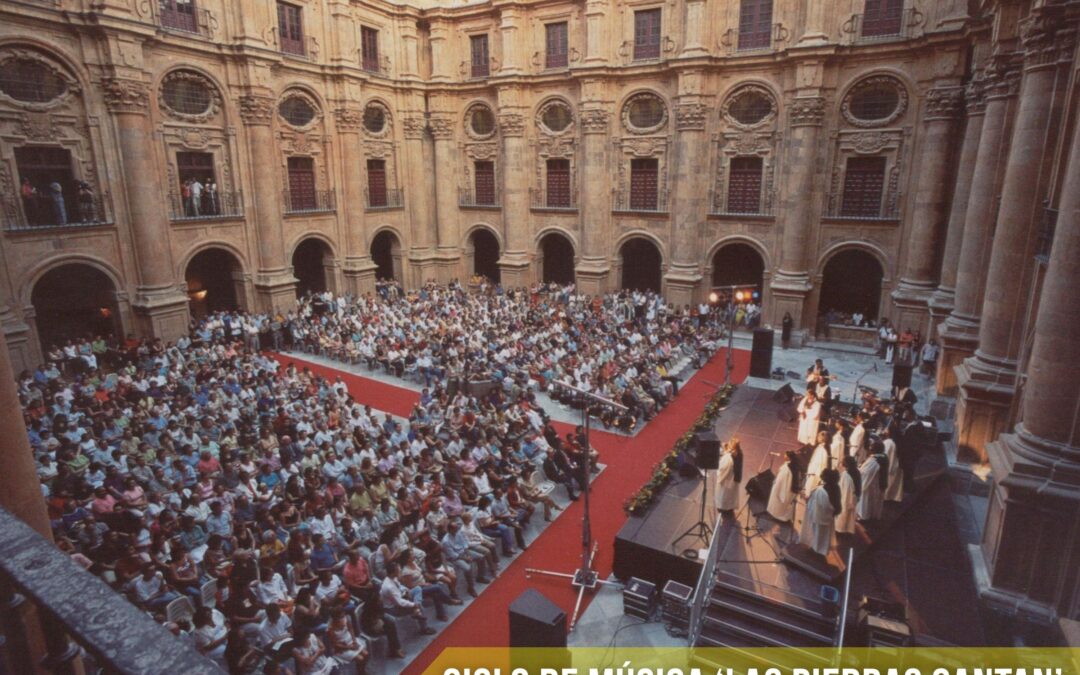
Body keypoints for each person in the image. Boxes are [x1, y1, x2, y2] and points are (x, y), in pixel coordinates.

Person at [799, 468, 840, 557]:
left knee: (817, 534)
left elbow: (813, 503)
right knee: (824, 536)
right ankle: (822, 551)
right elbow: (837, 506)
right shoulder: (836, 488)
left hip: (819, 516)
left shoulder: (820, 490)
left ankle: (817, 552)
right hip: (829, 517)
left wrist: (804, 497)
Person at [327, 606, 368, 671]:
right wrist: (349, 647)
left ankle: (361, 670)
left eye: (343, 616)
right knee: (360, 658)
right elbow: (335, 645)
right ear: (335, 618)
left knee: (366, 654)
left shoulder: (345, 618)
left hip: (350, 640)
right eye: (340, 617)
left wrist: (354, 641)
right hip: (342, 648)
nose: (343, 618)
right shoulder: (330, 629)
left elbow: (351, 629)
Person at [766, 450, 801, 524]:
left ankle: (778, 516)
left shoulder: (786, 468)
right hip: (790, 489)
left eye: (785, 455)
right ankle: (784, 517)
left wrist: (776, 488)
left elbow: (780, 480)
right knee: (786, 505)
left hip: (782, 488)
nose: (784, 456)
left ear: (788, 458)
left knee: (778, 504)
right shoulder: (794, 466)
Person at [714, 439, 741, 517]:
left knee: (724, 495)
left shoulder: (728, 458)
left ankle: (724, 508)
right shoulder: (737, 454)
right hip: (731, 479)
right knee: (730, 495)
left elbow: (722, 469)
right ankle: (728, 507)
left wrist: (718, 473)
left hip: (726, 481)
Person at [857, 451, 886, 522]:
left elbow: (865, 473)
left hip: (869, 484)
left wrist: (858, 469)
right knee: (872, 500)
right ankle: (871, 515)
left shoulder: (873, 461)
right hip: (875, 483)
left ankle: (864, 517)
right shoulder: (881, 458)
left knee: (866, 501)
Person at [835, 455, 861, 536]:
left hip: (846, 497)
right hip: (854, 496)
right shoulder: (857, 471)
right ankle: (848, 530)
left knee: (843, 513)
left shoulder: (846, 474)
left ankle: (841, 530)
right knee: (850, 514)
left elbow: (843, 488)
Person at [803, 430, 830, 498]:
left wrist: (817, 477)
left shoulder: (823, 451)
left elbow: (822, 465)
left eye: (819, 436)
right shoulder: (820, 447)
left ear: (822, 438)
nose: (817, 437)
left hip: (815, 474)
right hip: (812, 472)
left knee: (810, 491)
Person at [881, 429, 903, 503]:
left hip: (887, 467)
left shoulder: (888, 443)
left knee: (886, 484)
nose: (884, 431)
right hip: (892, 466)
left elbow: (884, 455)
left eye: (886, 431)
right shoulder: (892, 442)